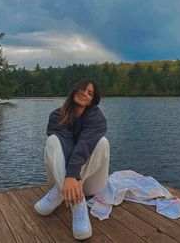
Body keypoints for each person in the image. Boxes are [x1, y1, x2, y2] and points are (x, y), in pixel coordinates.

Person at [34, 78, 110, 240]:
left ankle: (68, 194)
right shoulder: (57, 115)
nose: (85, 94)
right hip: (63, 179)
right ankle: (77, 201)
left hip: (90, 183)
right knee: (53, 141)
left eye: (90, 93)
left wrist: (72, 176)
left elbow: (85, 144)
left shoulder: (96, 117)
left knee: (102, 142)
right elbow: (66, 143)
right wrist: (69, 177)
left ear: (91, 101)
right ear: (74, 90)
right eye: (83, 89)